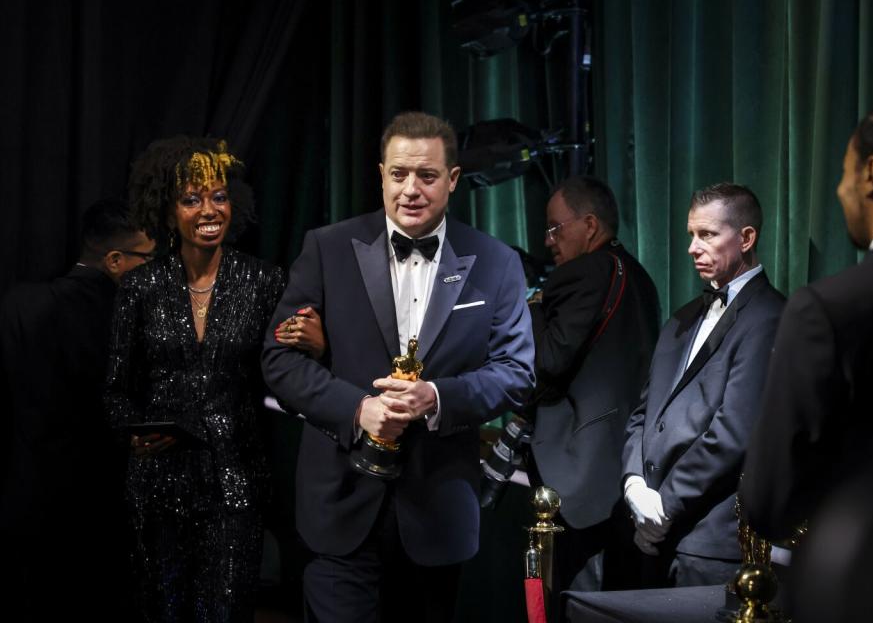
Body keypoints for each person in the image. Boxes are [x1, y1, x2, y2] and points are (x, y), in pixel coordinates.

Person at [261, 111, 535, 622]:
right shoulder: (327, 247)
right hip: (339, 501)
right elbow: (278, 360)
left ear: (452, 179)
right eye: (398, 174)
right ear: (381, 174)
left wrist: (437, 397)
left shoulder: (496, 262)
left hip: (438, 512)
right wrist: (357, 408)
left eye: (427, 176)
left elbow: (516, 372)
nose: (411, 189)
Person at [741, 94, 873, 542]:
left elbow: (769, 502)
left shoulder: (826, 310)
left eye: (844, 173)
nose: (841, 191)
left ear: (872, 174)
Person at [104, 137, 285, 622]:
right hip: (158, 487)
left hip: (236, 484)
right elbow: (116, 390)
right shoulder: (140, 287)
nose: (210, 209)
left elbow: (285, 374)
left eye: (219, 196)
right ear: (167, 212)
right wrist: (137, 434)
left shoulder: (264, 281)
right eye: (192, 199)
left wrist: (313, 342)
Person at [621, 183, 785, 587]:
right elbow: (643, 412)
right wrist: (634, 483)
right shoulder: (682, 317)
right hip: (651, 531)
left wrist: (665, 506)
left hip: (710, 541)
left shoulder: (771, 316)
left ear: (746, 238)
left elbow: (734, 432)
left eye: (707, 234)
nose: (693, 247)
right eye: (691, 235)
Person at [0, 199, 154, 620]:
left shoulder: (17, 304)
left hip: (25, 496)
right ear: (116, 260)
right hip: (97, 508)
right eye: (150, 258)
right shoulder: (130, 319)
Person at [526, 176, 660, 593]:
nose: (549, 241)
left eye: (555, 227)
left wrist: (528, 306)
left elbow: (546, 361)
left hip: (579, 475)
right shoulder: (640, 277)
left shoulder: (582, 271)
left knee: (575, 599)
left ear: (589, 225)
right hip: (627, 469)